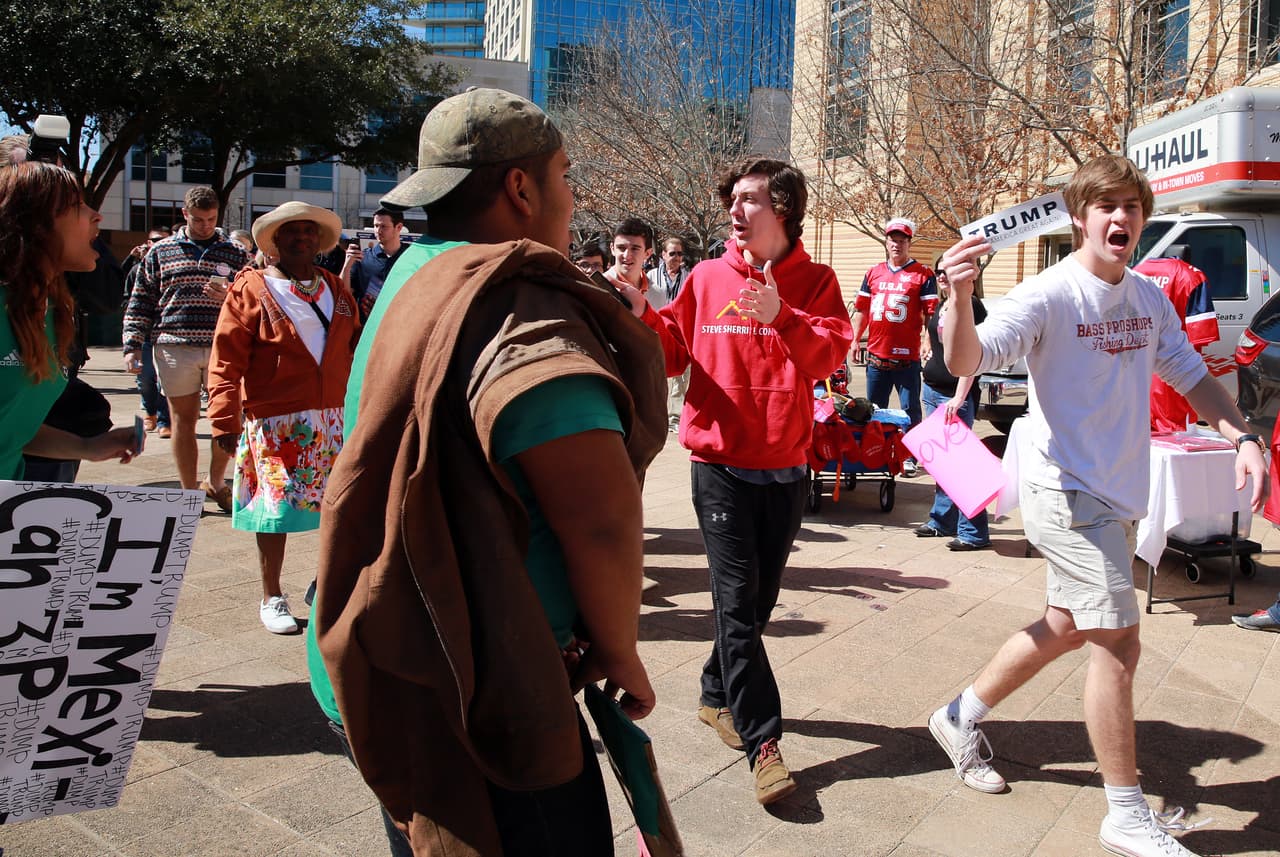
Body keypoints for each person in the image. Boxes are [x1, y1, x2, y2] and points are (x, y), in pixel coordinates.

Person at [313, 87, 666, 856]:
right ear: (520, 188)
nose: (572, 197)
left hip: (383, 650)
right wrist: (620, 649)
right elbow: (601, 519)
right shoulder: (517, 305)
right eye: (566, 175)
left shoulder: (411, 274)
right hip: (479, 682)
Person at [935, 154, 1266, 857]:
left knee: (1066, 622)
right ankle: (1124, 810)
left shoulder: (1147, 298)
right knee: (1118, 636)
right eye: (1107, 205)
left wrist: (1243, 435)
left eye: (1132, 206)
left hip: (1121, 489)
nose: (1122, 217)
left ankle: (959, 713)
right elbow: (967, 359)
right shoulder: (1047, 294)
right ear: (1080, 217)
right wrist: (960, 299)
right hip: (1064, 488)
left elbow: (1193, 375)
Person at [622, 157, 852, 805]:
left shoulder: (817, 281)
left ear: (783, 210)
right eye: (733, 198)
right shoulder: (706, 276)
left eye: (749, 199)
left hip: (785, 469)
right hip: (717, 468)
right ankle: (765, 741)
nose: (735, 209)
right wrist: (642, 310)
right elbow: (670, 350)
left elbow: (831, 353)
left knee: (754, 606)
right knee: (737, 610)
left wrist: (783, 314)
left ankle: (715, 694)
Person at [207, 202, 357, 634]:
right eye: (291, 232)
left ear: (320, 241)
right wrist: (223, 419)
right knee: (276, 510)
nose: (302, 239)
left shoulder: (335, 288)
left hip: (335, 420)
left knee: (340, 508)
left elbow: (356, 348)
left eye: (309, 232)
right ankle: (272, 595)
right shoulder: (251, 289)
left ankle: (323, 584)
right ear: (274, 241)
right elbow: (225, 359)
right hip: (278, 423)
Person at [0, 162, 138, 480]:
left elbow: (14, 431)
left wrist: (88, 447)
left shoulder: (49, 311)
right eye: (77, 206)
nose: (96, 215)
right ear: (37, 225)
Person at [123, 186, 250, 510]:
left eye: (211, 219)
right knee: (183, 419)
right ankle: (187, 491)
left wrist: (230, 297)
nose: (205, 225)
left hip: (222, 346)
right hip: (173, 345)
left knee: (226, 418)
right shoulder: (160, 251)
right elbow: (141, 301)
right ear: (184, 214)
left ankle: (216, 481)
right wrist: (132, 345)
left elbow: (252, 299)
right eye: (198, 219)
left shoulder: (235, 251)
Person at [851, 216, 938, 476]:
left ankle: (908, 456)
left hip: (907, 359)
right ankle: (874, 454)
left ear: (909, 243)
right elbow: (862, 310)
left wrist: (927, 339)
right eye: (893, 240)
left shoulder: (923, 274)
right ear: (886, 242)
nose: (896, 245)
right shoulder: (873, 272)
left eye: (902, 240)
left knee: (910, 408)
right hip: (877, 356)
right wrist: (856, 338)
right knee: (873, 410)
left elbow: (930, 313)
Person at [916, 265, 990, 550]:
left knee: (961, 468)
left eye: (949, 271)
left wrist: (959, 397)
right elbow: (935, 333)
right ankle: (942, 521)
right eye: (939, 270)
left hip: (953, 397)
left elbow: (974, 354)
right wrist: (927, 346)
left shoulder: (970, 305)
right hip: (933, 391)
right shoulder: (945, 302)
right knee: (942, 465)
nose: (942, 275)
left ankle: (974, 533)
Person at [1133, 247, 1219, 432]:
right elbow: (1200, 336)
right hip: (1176, 381)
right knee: (1176, 442)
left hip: (1137, 377)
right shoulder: (1191, 276)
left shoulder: (1136, 272)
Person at [124, 228, 173, 437]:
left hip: (165, 335)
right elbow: (127, 300)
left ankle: (164, 421)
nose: (158, 243)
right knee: (145, 378)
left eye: (163, 240)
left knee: (165, 381)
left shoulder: (171, 267)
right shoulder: (137, 270)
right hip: (144, 335)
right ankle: (150, 413)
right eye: (155, 240)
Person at [648, 236, 692, 430]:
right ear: (663, 255)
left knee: (680, 377)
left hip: (680, 333)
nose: (676, 257)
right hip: (655, 330)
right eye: (672, 253)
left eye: (679, 254)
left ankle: (674, 418)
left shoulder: (689, 277)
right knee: (655, 374)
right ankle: (654, 415)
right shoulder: (650, 278)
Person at [341, 207, 410, 322]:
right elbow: (344, 294)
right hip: (368, 329)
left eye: (383, 226)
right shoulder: (363, 258)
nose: (378, 230)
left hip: (401, 328)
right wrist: (347, 266)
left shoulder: (411, 256)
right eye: (376, 226)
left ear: (398, 227)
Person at [603, 217, 653, 299]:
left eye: (634, 249)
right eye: (621, 248)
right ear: (612, 249)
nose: (626, 255)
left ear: (647, 253)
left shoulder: (659, 293)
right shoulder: (598, 288)